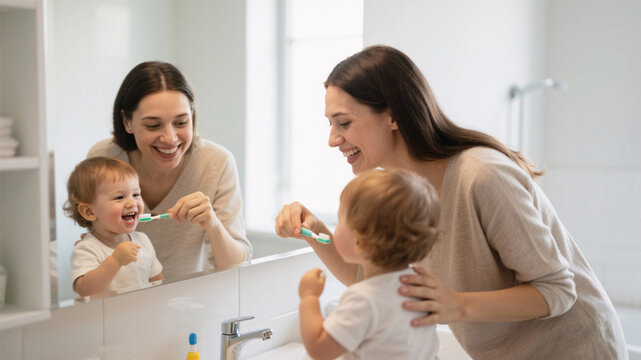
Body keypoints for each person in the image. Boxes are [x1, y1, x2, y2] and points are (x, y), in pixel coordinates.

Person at [275, 45, 628, 359]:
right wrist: (314, 232)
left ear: (393, 115)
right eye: (330, 124)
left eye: (344, 122)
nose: (333, 140)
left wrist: (455, 304)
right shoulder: (403, 191)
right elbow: (370, 281)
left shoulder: (482, 176)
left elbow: (557, 290)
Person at [88, 61, 251, 278]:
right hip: (118, 303)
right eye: (153, 125)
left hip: (192, 302)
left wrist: (212, 224)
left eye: (181, 122)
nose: (170, 138)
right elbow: (94, 249)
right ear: (127, 122)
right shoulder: (103, 159)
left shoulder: (217, 163)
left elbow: (235, 268)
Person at [298, 168, 440, 360]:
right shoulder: (419, 286)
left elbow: (319, 350)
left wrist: (309, 296)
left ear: (360, 241)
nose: (335, 227)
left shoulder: (363, 299)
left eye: (340, 221)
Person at [64, 157, 164, 297]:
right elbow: (85, 291)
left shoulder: (143, 241)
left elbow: (158, 282)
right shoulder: (87, 248)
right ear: (89, 212)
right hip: (107, 318)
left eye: (136, 194)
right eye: (119, 197)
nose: (132, 203)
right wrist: (115, 261)